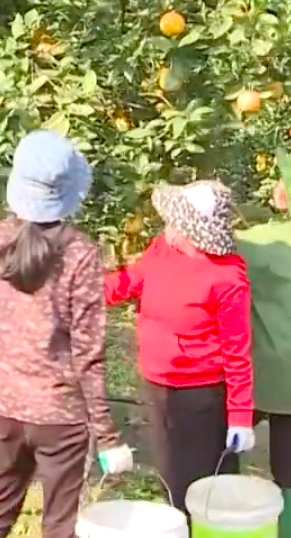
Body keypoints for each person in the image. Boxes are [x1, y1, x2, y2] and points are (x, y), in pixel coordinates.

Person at [0, 130, 132, 538]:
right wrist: (107, 435)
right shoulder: (79, 252)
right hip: (59, 414)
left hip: (5, 405)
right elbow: (88, 353)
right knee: (59, 524)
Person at [105, 179, 255, 513]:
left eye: (178, 223)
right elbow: (130, 281)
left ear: (198, 232)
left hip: (201, 396)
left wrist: (241, 417)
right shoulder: (162, 248)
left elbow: (237, 351)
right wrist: (83, 290)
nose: (169, 228)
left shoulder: (226, 277)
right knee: (171, 478)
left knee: (204, 486)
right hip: (158, 387)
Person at [236, 157, 291, 538]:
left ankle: (224, 516)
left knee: (223, 449)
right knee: (289, 473)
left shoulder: (255, 242)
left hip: (257, 378)